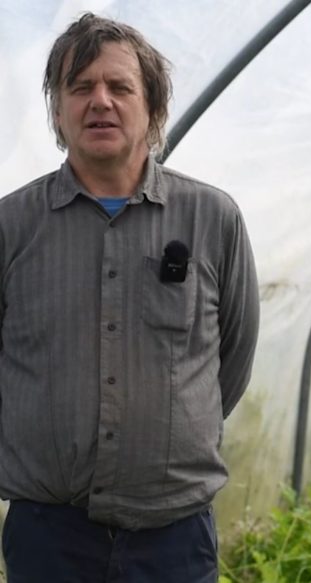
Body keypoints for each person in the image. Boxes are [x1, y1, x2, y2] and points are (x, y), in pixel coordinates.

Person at [0, 12, 259, 582]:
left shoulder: (212, 219)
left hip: (175, 538)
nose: (100, 101)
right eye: (81, 87)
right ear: (57, 108)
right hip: (49, 536)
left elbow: (231, 361)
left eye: (120, 87)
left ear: (153, 108)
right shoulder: (12, 226)